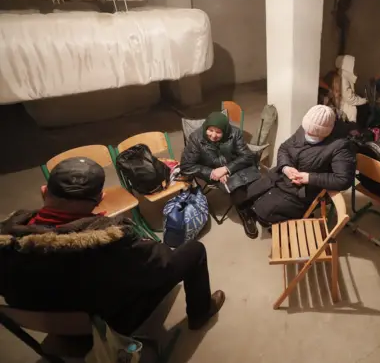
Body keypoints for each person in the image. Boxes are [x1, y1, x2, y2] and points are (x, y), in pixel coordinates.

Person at [0, 158, 224, 335]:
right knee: (194, 251)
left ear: (43, 191)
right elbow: (162, 262)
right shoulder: (112, 242)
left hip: (45, 320)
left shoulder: (7, 239)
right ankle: (200, 314)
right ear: (101, 198)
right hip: (110, 322)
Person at [239, 105, 356, 225]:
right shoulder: (305, 129)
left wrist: (308, 178)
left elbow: (343, 180)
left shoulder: (341, 146)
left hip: (305, 189)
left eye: (313, 133)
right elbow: (284, 148)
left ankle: (264, 217)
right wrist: (286, 167)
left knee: (266, 210)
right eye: (306, 129)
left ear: (326, 132)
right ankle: (254, 210)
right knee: (252, 191)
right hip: (285, 175)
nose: (307, 133)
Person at [180, 111, 262, 239]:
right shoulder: (196, 138)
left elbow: (247, 156)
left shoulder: (235, 133)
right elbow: (186, 166)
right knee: (237, 188)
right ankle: (245, 213)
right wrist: (212, 172)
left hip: (232, 166)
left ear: (225, 130)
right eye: (210, 130)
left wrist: (226, 169)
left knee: (257, 182)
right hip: (211, 171)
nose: (213, 135)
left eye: (218, 132)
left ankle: (256, 207)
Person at [334, 55, 369, 126]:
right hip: (346, 110)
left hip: (345, 107)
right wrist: (365, 100)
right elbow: (350, 98)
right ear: (347, 65)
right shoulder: (343, 79)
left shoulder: (343, 76)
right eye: (352, 65)